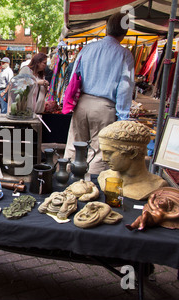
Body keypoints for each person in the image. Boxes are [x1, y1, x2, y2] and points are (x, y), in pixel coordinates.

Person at [63, 12, 135, 174]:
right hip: (104, 108)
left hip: (82, 103)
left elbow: (74, 76)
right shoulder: (124, 54)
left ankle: (66, 180)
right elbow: (125, 88)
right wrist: (123, 117)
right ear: (125, 32)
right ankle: (91, 188)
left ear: (106, 29)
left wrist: (71, 102)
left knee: (75, 146)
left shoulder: (88, 49)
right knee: (99, 152)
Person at [97, 121, 167, 200]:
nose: (104, 159)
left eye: (109, 153)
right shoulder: (104, 176)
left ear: (133, 153)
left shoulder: (156, 185)